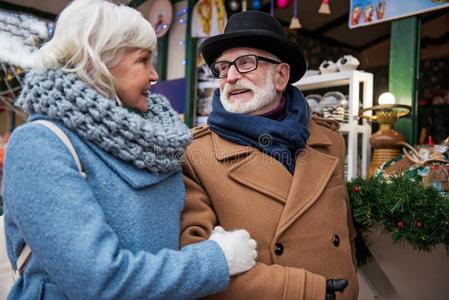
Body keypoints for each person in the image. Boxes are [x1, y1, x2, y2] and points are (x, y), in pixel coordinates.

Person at [2, 1, 257, 299]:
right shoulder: (39, 145)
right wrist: (216, 260)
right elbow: (98, 280)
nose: (154, 75)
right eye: (144, 60)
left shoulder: (155, 140)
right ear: (96, 59)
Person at [180, 10, 358, 300]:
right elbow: (196, 261)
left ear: (281, 76)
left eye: (246, 63)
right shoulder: (194, 155)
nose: (231, 76)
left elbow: (345, 232)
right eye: (223, 67)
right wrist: (303, 290)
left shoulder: (329, 139)